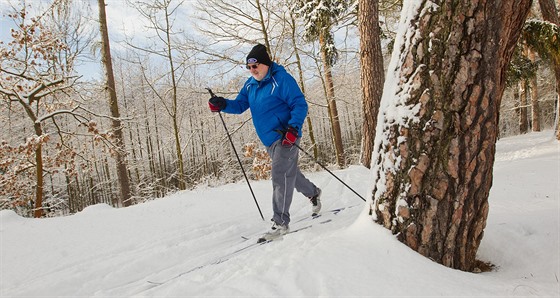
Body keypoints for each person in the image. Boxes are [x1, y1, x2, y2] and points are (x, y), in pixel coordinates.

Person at [208, 44, 321, 241]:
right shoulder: (250, 85)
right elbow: (240, 105)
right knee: (289, 174)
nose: (252, 71)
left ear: (266, 64)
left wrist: (293, 128)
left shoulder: (281, 80)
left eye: (255, 66)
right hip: (269, 140)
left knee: (280, 175)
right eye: (249, 67)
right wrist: (223, 104)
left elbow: (299, 103)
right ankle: (313, 193)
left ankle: (280, 223)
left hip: (286, 136)